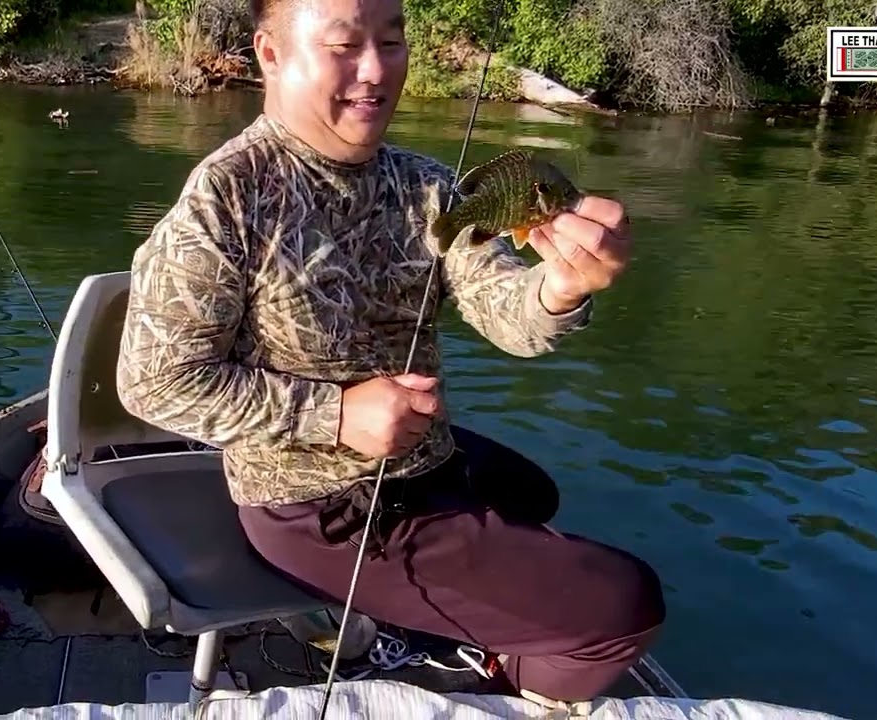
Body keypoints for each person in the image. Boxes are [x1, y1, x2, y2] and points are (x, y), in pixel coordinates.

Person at [115, 0, 666, 713]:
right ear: (271, 54)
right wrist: (336, 415)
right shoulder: (224, 200)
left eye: (392, 41)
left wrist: (560, 288)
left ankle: (458, 622)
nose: (375, 71)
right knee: (626, 608)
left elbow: (507, 314)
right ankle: (499, 689)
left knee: (531, 492)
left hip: (421, 461)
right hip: (318, 511)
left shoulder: (427, 186)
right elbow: (154, 382)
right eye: (345, 46)